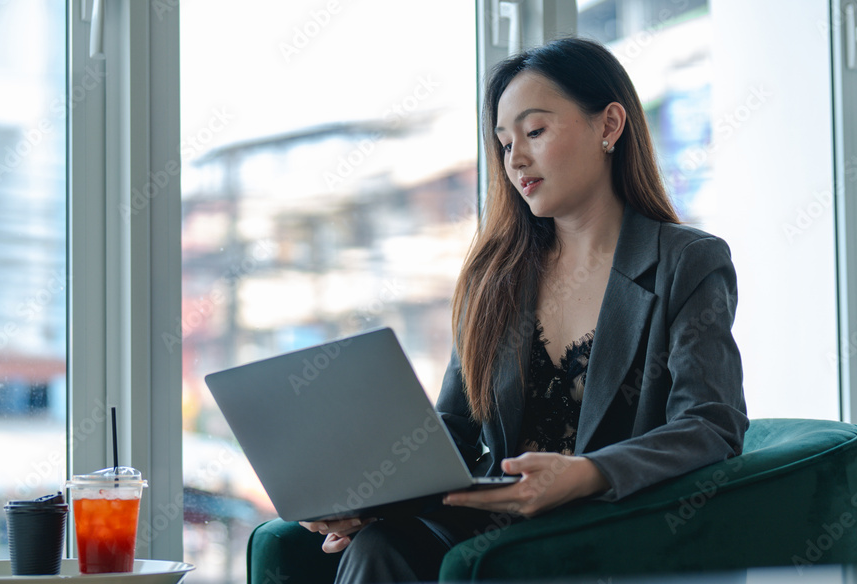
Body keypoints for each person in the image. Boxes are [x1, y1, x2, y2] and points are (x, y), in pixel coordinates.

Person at [297, 36, 748, 583]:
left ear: (609, 126)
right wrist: (375, 497)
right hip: (489, 523)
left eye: (535, 132)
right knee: (377, 544)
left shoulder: (687, 261)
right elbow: (454, 428)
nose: (517, 159)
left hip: (613, 525)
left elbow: (711, 423)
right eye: (505, 143)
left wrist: (585, 473)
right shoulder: (497, 274)